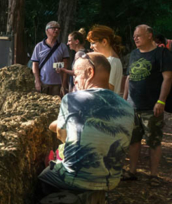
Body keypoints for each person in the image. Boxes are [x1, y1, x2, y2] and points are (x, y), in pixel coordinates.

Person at [39, 52, 135, 192]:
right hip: (112, 180)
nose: (75, 80)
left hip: (75, 178)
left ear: (90, 72)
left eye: (77, 75)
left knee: (43, 177)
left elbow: (62, 136)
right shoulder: (127, 107)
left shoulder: (71, 99)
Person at [123, 25, 172, 186]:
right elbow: (129, 78)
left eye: (139, 35)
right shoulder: (134, 54)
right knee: (133, 140)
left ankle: (154, 175)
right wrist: (124, 101)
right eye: (134, 36)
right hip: (132, 106)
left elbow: (168, 78)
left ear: (150, 35)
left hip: (152, 107)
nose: (135, 38)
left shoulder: (162, 54)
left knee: (154, 141)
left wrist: (161, 101)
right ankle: (132, 171)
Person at [30, 21, 70, 96]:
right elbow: (35, 64)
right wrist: (37, 81)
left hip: (57, 84)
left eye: (58, 28)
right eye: (54, 28)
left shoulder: (63, 47)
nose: (56, 30)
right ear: (47, 31)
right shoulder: (39, 46)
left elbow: (65, 66)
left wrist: (63, 85)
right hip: (43, 83)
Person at [87, 25, 124, 95]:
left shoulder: (111, 61)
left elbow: (108, 90)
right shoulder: (111, 60)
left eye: (93, 43)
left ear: (104, 42)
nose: (91, 47)